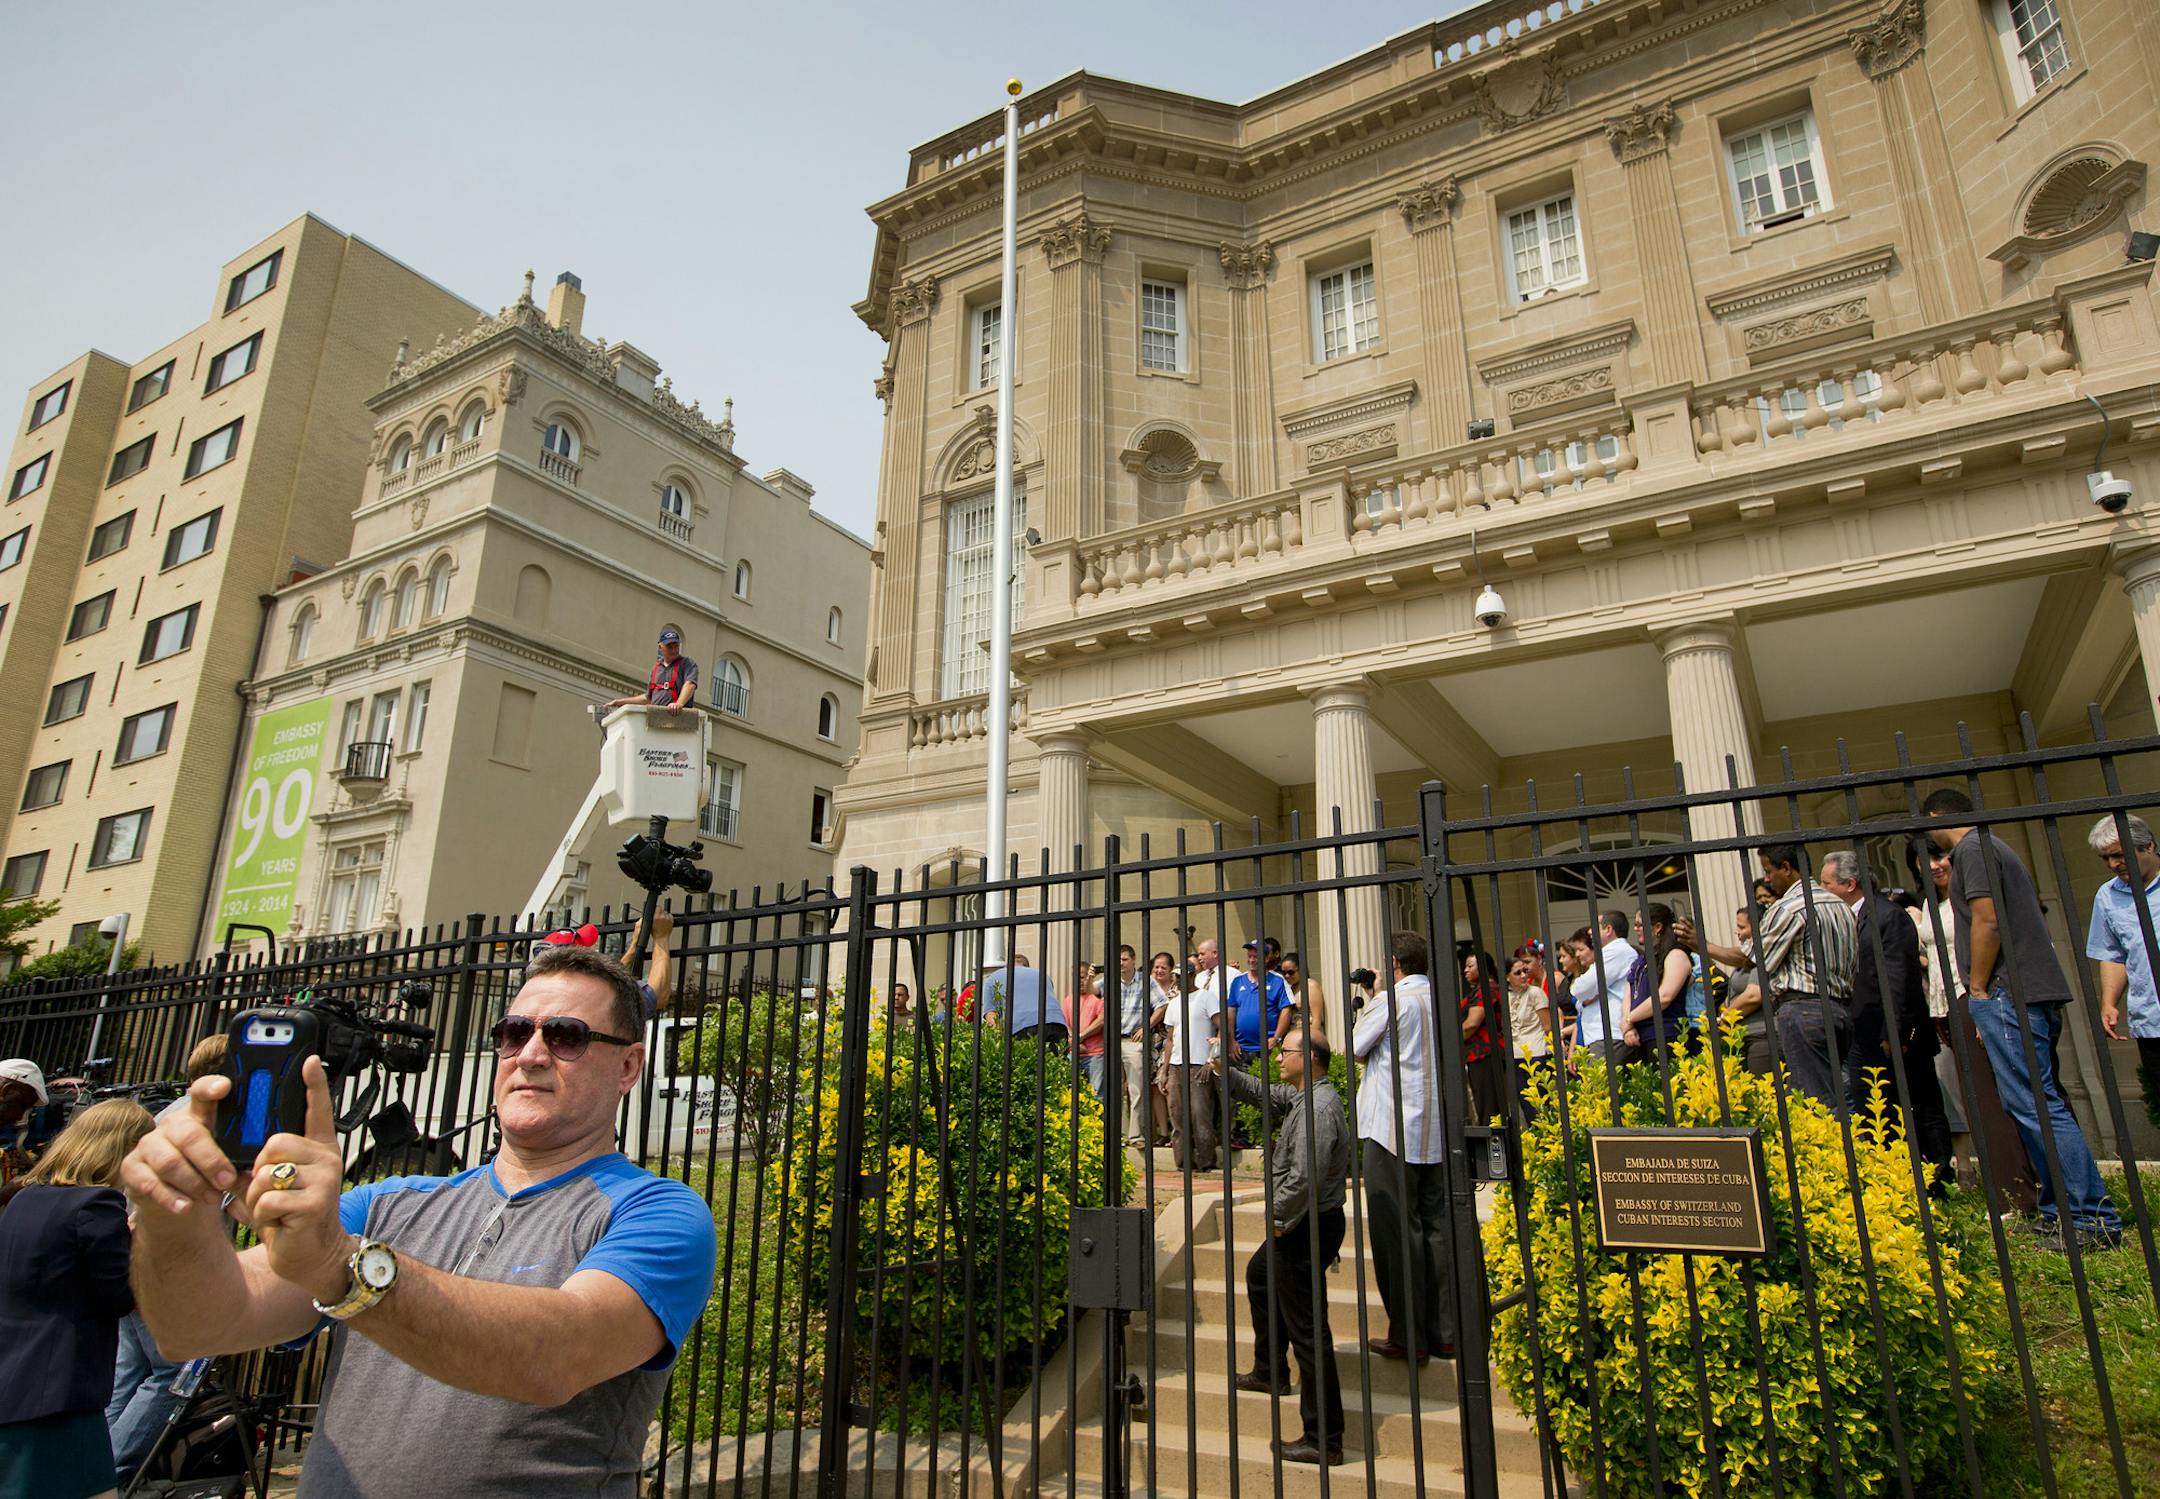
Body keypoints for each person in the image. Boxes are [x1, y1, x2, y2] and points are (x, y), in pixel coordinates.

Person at [118, 944, 720, 1496]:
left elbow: (554, 1356)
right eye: (514, 1033)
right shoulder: (386, 1203)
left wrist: (341, 1268)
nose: (531, 1054)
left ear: (627, 1067)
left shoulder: (658, 1212)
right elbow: (198, 1328)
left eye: (566, 1036)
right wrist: (175, 1221)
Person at [1926, 788, 2122, 1246]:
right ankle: (2059, 1210)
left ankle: (2093, 1217)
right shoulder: (1993, 846)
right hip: (2025, 993)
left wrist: (1976, 988)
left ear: (1937, 816)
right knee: (2029, 1104)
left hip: (2008, 994)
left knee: (2036, 1104)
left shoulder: (1972, 849)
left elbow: (1987, 920)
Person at [1, 1098, 156, 1499]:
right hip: (61, 1392)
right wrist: (137, 1242)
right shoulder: (98, 1204)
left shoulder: (23, 1199)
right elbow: (119, 1297)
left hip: (13, 1382)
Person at [1222, 1029, 1351, 1467]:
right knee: (1260, 1277)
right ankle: (1269, 1371)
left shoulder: (1318, 1109)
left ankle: (1323, 1438)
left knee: (1310, 1332)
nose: (1278, 1055)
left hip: (1306, 1223)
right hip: (1302, 1220)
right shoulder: (1303, 1096)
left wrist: (1276, 1218)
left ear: (1311, 1058)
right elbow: (1265, 1092)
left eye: (1287, 1050)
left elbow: (1305, 1177)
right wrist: (1227, 1071)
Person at [106, 1036, 231, 1483]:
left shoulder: (169, 1115)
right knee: (173, 1375)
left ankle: (86, 1475)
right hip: (166, 1267)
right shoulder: (211, 1122)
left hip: (133, 1258)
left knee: (130, 1373)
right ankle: (114, 1473)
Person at [1909, 836, 2038, 1214]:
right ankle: (2007, 1184)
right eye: (1922, 860)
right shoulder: (1931, 906)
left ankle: (2020, 1192)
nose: (1932, 865)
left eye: (1937, 856)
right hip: (1942, 1007)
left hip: (1973, 997)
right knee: (1971, 1099)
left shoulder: (1967, 900)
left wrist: (1980, 1000)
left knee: (1997, 1098)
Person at [1350, 930, 1451, 1363]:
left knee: (1396, 1233)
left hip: (1391, 1128)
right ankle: (1445, 1330)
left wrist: (1372, 998)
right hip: (1432, 1130)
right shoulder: (1440, 999)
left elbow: (1356, 1047)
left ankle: (1408, 1334)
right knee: (1435, 1230)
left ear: (1394, 963)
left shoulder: (1394, 1000)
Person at [1821, 851, 1951, 1186]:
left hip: (1895, 1033)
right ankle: (1896, 1179)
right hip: (1863, 1033)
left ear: (1849, 884)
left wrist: (1896, 1032)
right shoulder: (1848, 918)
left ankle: (1936, 1178)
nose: (1820, 890)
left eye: (1826, 883)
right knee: (1878, 1109)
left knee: (1919, 1104)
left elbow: (1899, 978)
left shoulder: (1887, 916)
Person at [1749, 844, 1859, 1108]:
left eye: (1768, 870)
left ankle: (1840, 1149)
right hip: (1840, 1010)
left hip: (1803, 1010)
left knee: (1816, 1102)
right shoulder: (1840, 905)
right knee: (1840, 1095)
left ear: (1786, 868)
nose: (1766, 878)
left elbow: (1755, 958)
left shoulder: (1789, 907)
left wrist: (1704, 946)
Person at [2086, 813, 2160, 1129]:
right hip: (2152, 1022)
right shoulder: (2108, 896)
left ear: (2150, 846)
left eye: (2119, 854)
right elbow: (2114, 956)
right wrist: (2109, 1001)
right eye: (2107, 858)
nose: (2114, 863)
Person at [1160, 950, 1221, 1172]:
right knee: (1177, 1115)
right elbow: (1169, 1039)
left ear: (1191, 975)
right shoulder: (1174, 1003)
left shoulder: (1206, 998)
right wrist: (1164, 1071)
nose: (1177, 981)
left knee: (1200, 1114)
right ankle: (1183, 1163)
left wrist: (1210, 1060)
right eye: (1175, 977)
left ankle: (1206, 1162)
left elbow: (1221, 1028)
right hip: (1176, 1065)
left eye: (1180, 976)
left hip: (1198, 1063)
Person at [1621, 906, 1692, 1066]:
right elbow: (1629, 993)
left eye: (1640, 924)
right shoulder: (1641, 960)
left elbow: (1665, 997)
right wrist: (1628, 1027)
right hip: (1639, 1037)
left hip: (1667, 1035)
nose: (1635, 929)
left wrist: (1628, 1019)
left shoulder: (1675, 954)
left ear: (1658, 927)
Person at [1566, 917, 1637, 1067]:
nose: (1590, 931)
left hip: (1609, 1034)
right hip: (1601, 1035)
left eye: (1595, 926)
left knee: (1604, 1088)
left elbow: (1581, 988)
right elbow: (1582, 994)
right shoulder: (1612, 952)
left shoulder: (1616, 951)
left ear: (1608, 930)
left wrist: (1584, 993)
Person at [1102, 947, 1152, 1145]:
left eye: (1124, 959)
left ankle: (1135, 1135)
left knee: (1136, 1089)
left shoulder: (1145, 981)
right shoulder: (1109, 981)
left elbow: (1162, 1004)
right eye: (1118, 960)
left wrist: (1146, 1027)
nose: (1120, 963)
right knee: (1116, 1089)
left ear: (1133, 960)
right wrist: (1089, 977)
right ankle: (1119, 1135)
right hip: (1113, 1041)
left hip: (1133, 1041)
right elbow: (1090, 991)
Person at [1227, 939, 1296, 1062]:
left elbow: (1286, 1010)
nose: (1252, 960)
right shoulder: (1238, 981)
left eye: (1256, 957)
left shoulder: (1277, 981)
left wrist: (1276, 1038)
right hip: (1240, 1049)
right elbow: (1231, 1011)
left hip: (1266, 1049)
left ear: (1265, 959)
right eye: (1250, 956)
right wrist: (1231, 1040)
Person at [1459, 950, 1506, 1123]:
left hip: (1485, 1054)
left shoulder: (1488, 989)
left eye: (1470, 966)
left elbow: (1472, 1024)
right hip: (1475, 1056)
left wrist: (1451, 1042)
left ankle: (1492, 1146)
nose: (1465, 970)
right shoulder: (1477, 990)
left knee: (1488, 1109)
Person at [607, 626, 699, 714]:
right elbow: (648, 698)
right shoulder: (657, 668)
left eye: (676, 646)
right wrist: (620, 702)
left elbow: (690, 685)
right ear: (660, 647)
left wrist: (679, 703)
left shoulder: (687, 663)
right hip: (656, 718)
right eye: (670, 647)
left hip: (677, 719)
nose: (674, 650)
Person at [979, 953, 1067, 1045]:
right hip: (1057, 1023)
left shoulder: (993, 978)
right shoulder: (1043, 975)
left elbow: (992, 1016)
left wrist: (997, 1043)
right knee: (1055, 1058)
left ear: (1006, 966)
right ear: (1027, 967)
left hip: (1022, 1027)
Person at [1506, 953, 1552, 1119]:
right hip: (1515, 1053)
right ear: (1507, 977)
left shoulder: (1535, 993)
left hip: (1536, 1052)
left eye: (1525, 970)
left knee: (1540, 1104)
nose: (1524, 975)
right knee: (1524, 1103)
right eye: (1518, 973)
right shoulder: (1505, 996)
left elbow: (1548, 1026)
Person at [1074, 971, 1109, 1105]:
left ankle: (1099, 1125)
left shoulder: (1098, 1001)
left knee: (1096, 1095)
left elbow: (1101, 1021)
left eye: (1083, 977)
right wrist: (1073, 1041)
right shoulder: (1069, 1000)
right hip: (1075, 1052)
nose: (1080, 981)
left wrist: (1081, 1037)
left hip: (1095, 1053)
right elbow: (1066, 1023)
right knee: (1072, 1093)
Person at [1279, 953, 1328, 1039]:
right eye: (1284, 973)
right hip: (1292, 1038)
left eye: (1291, 972)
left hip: (1307, 1037)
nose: (1287, 976)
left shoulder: (1310, 985)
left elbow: (1317, 1018)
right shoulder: (1290, 988)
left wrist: (1311, 1041)